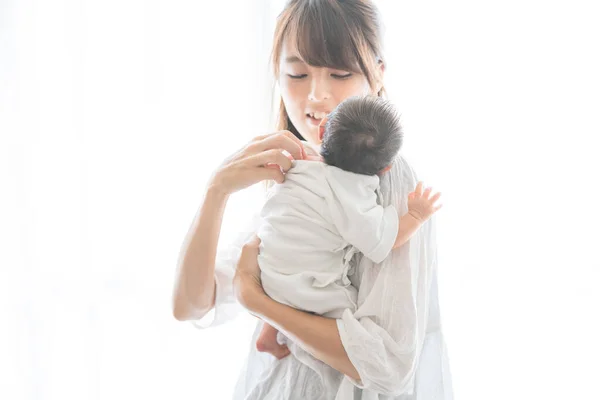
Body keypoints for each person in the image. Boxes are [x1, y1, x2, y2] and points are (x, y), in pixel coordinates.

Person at [172, 0, 453, 398]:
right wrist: (216, 192)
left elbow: (388, 365)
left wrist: (263, 304)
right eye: (297, 74)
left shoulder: (385, 178)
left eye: (339, 73)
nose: (317, 96)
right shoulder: (297, 175)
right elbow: (191, 306)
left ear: (376, 76)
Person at [254, 95, 443, 357]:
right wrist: (417, 216)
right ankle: (298, 340)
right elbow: (384, 241)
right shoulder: (355, 196)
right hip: (305, 288)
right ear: (386, 168)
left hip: (265, 269)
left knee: (289, 261)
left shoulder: (300, 161)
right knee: (351, 318)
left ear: (322, 131)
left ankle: (267, 334)